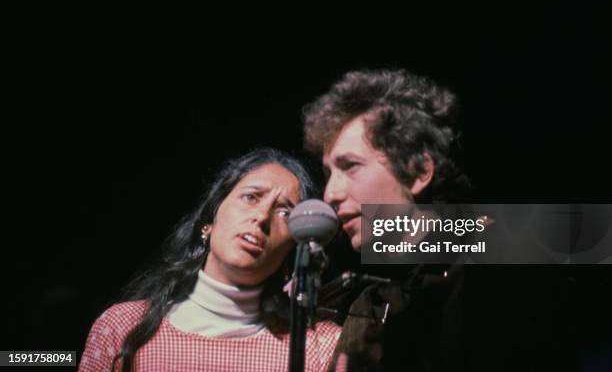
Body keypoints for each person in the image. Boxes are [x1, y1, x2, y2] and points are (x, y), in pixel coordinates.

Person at [79, 148, 341, 372]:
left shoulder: (321, 347)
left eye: (284, 212)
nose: (261, 217)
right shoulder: (123, 327)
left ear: (292, 249)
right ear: (209, 221)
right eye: (250, 197)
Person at [303, 69, 469, 371]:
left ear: (418, 171)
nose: (330, 194)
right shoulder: (371, 302)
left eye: (350, 166)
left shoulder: (495, 268)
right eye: (328, 174)